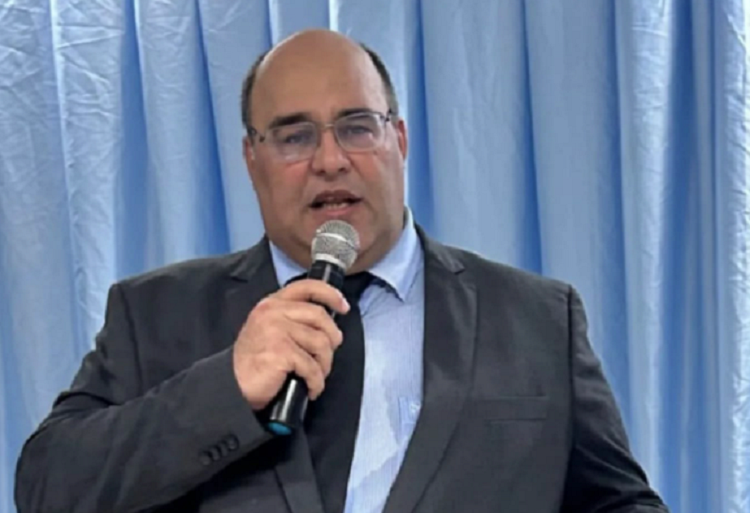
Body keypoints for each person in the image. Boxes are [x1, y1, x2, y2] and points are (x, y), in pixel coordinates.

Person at [14, 29, 669, 513]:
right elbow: (47, 488)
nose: (330, 160)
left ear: (399, 141)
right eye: (295, 136)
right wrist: (225, 389)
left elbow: (620, 504)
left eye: (357, 127)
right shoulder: (154, 314)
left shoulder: (538, 320)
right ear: (251, 161)